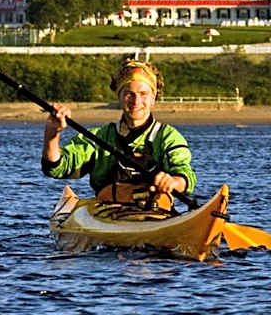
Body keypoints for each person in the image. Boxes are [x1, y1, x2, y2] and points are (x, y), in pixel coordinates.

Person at [42, 59, 196, 211]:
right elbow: (57, 168)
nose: (136, 101)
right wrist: (52, 134)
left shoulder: (169, 137)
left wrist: (175, 182)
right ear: (120, 97)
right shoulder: (99, 137)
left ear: (153, 98)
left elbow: (185, 174)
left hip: (156, 214)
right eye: (130, 94)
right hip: (107, 215)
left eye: (143, 94)